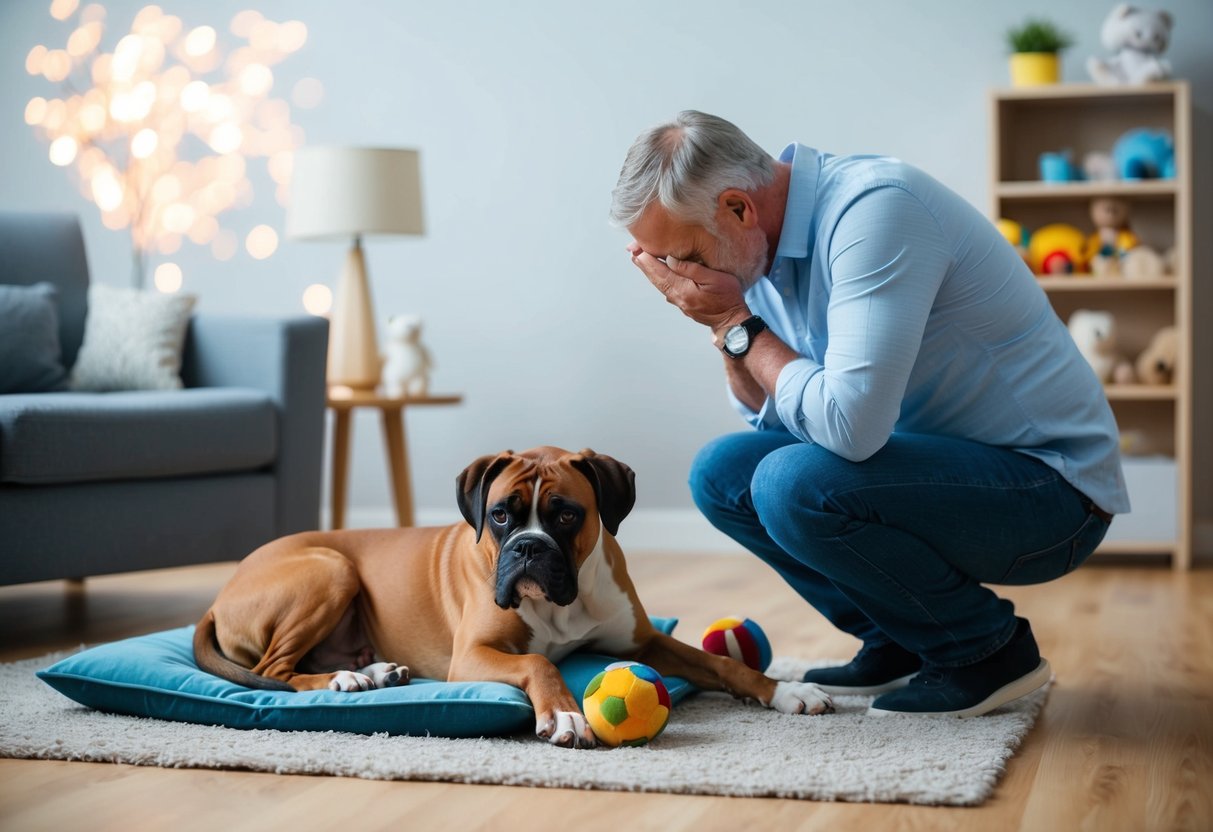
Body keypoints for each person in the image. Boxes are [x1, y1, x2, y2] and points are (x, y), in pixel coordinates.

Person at [609, 110, 1129, 717]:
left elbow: (849, 432)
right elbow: (776, 420)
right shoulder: (755, 252)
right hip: (933, 472)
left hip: (1052, 493)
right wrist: (728, 330)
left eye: (686, 257)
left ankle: (984, 650)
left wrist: (734, 321)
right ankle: (900, 638)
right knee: (722, 473)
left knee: (790, 483)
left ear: (737, 208)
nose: (684, 279)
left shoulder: (876, 212)